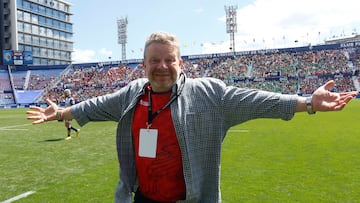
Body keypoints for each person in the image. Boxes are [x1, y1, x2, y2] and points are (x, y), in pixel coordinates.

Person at [26, 31, 358, 203]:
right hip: (142, 198)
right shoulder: (132, 94)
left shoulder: (209, 94)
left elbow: (259, 101)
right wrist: (61, 113)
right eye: (154, 61)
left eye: (169, 60)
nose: (162, 67)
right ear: (143, 65)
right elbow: (93, 106)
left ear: (179, 63)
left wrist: (307, 102)